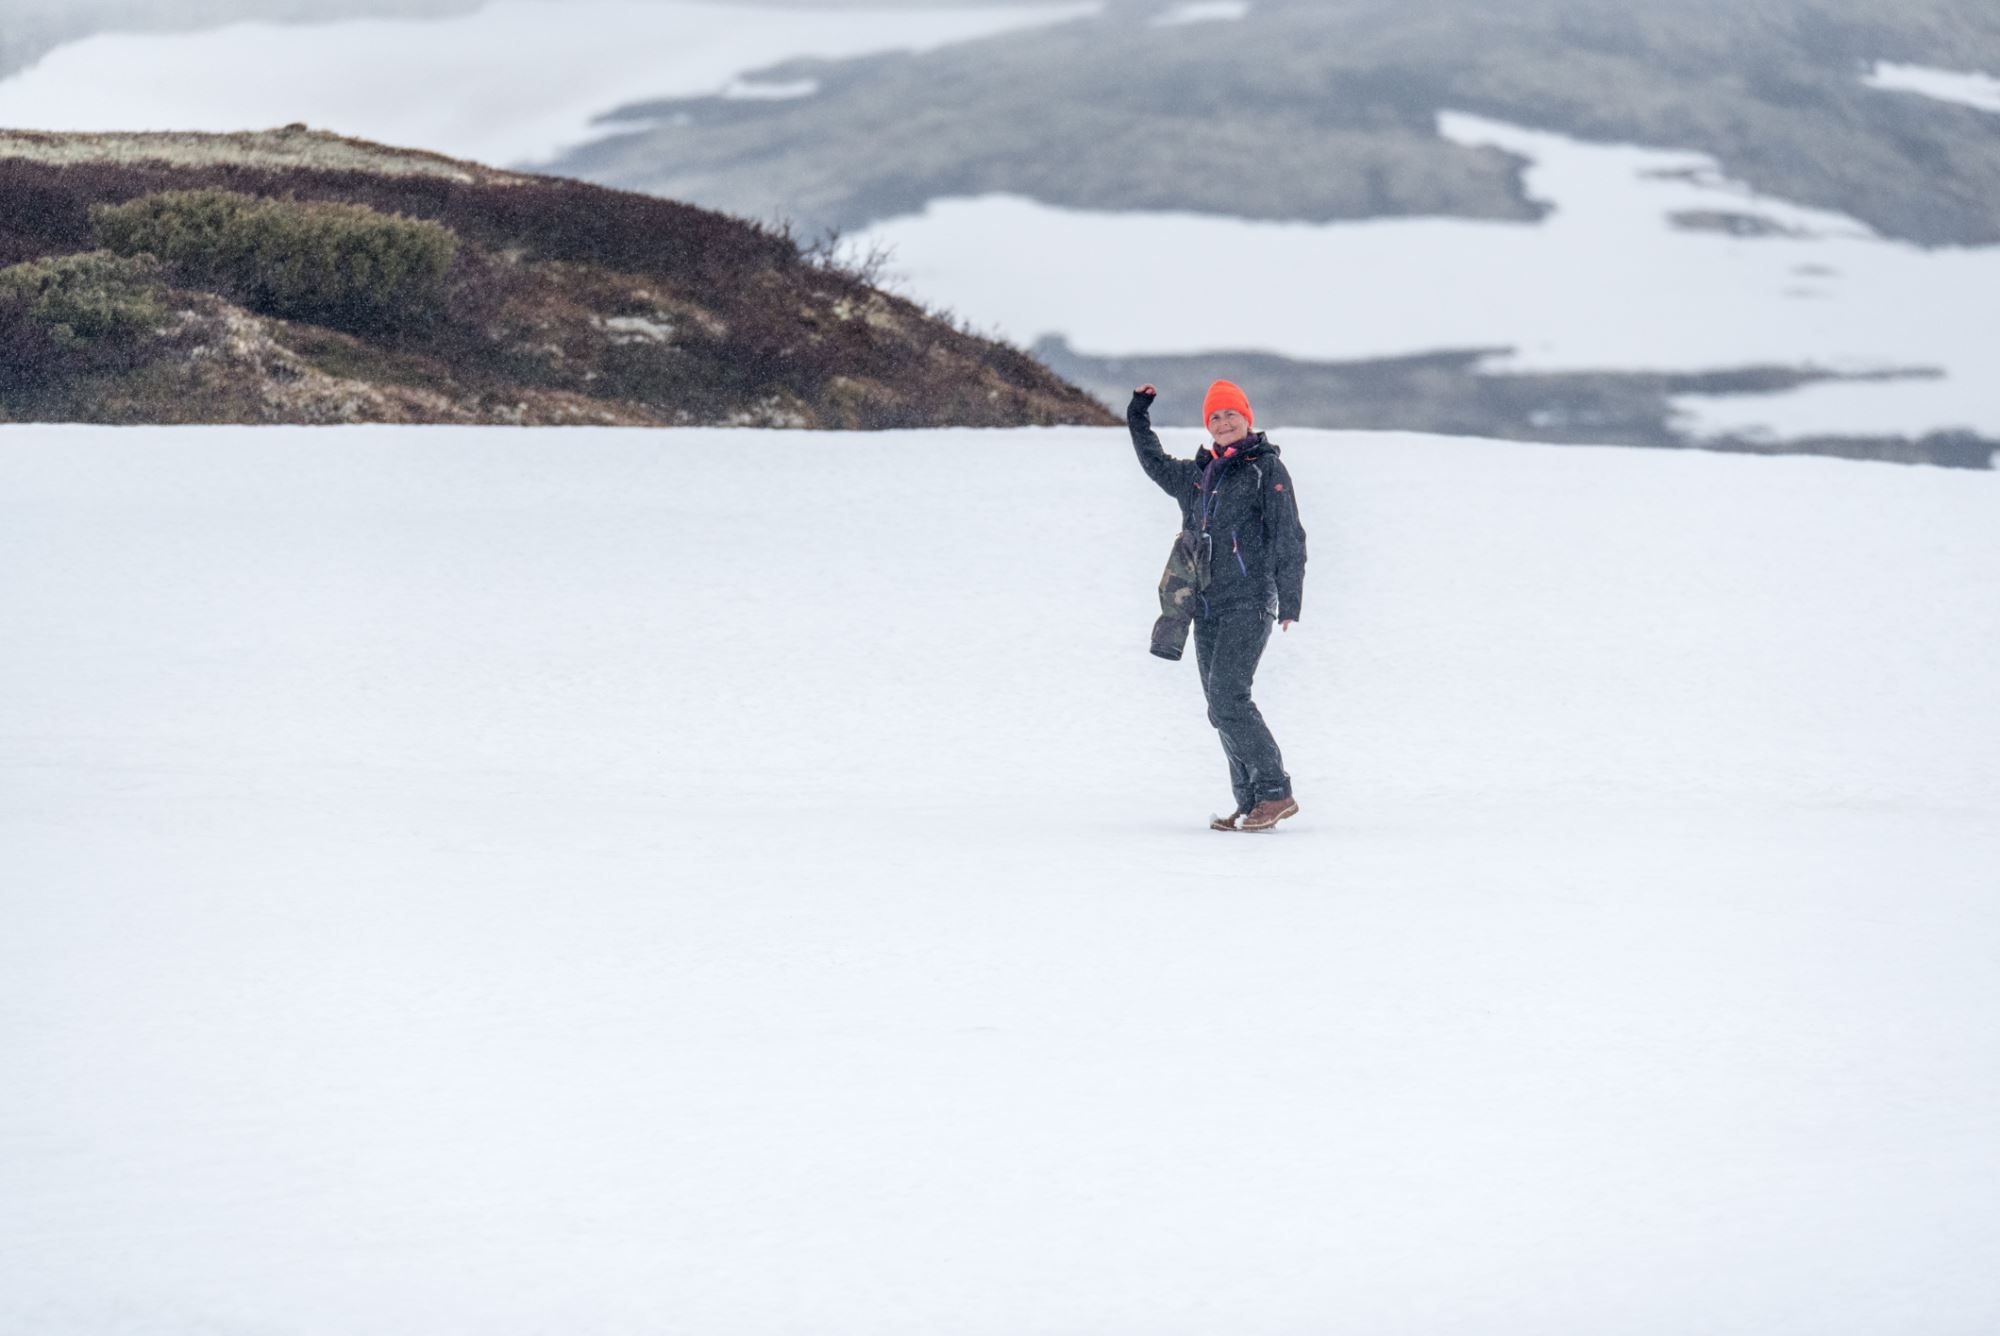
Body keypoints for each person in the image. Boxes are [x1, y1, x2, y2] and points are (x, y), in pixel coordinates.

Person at [1129, 380, 1306, 832]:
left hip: (1250, 600)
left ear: (1247, 418)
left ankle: (1275, 792)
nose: (1223, 423)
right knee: (1218, 706)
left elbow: (1288, 534)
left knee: (1229, 697)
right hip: (1206, 606)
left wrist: (1290, 598)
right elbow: (1153, 461)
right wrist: (1138, 413)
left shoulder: (1265, 468)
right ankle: (1249, 802)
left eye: (1231, 414)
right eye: (1214, 417)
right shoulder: (1197, 475)